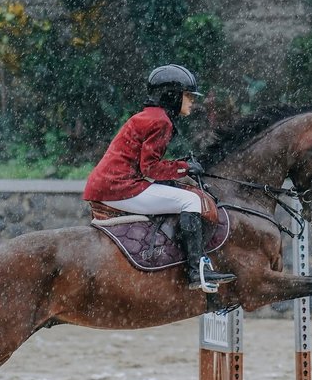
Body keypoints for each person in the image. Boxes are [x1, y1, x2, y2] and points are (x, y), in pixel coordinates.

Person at [83, 64, 236, 290]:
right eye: (188, 96)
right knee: (191, 200)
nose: (192, 101)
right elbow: (150, 168)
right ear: (172, 95)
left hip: (110, 184)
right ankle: (196, 271)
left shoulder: (151, 116)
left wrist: (180, 167)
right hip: (119, 187)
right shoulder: (160, 121)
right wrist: (185, 168)